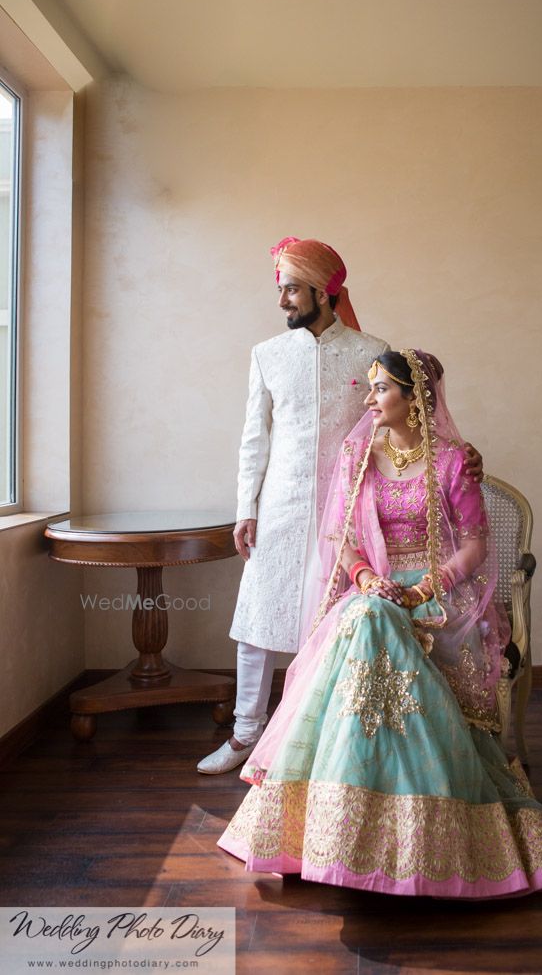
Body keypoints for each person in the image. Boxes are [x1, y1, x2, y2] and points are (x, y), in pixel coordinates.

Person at [217, 350, 542, 899]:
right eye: (371, 387)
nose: (368, 399)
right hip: (374, 590)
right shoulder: (359, 453)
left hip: (439, 597)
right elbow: (342, 539)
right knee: (366, 616)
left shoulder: (454, 461)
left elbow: (477, 545)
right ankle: (343, 824)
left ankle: (390, 827)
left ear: (417, 398)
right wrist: (364, 580)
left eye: (381, 388)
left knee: (369, 622)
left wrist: (423, 588)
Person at [198, 241, 482, 773]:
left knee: (330, 621)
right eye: (280, 288)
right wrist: (246, 509)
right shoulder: (267, 354)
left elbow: (404, 418)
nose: (282, 299)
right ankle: (244, 734)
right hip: (280, 503)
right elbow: (253, 439)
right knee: (259, 618)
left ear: (323, 290)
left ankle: (310, 740)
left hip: (355, 511)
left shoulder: (369, 349)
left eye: (290, 288)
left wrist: (462, 455)